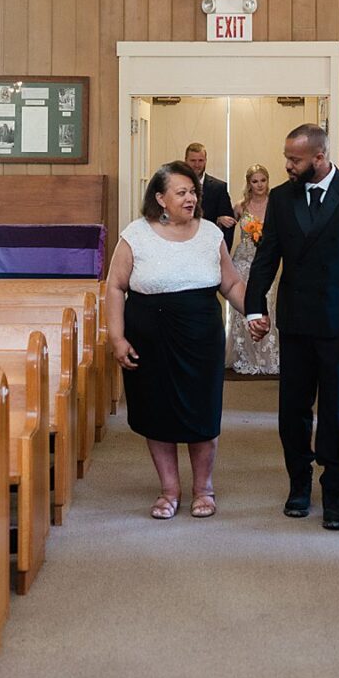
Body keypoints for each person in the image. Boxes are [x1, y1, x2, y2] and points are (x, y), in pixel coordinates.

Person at [244, 124, 339, 531]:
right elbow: (266, 259)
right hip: (295, 321)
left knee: (335, 410)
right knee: (292, 410)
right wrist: (255, 308)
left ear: (319, 158)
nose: (288, 166)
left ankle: (334, 490)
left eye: (295, 159)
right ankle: (299, 482)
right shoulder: (280, 197)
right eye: (287, 158)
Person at [107, 160, 248, 520]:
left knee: (202, 413)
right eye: (181, 192)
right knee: (157, 413)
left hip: (200, 337)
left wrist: (255, 313)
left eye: (193, 192)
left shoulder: (211, 234)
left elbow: (230, 283)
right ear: (160, 198)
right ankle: (169, 490)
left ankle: (204, 488)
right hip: (148, 338)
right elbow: (115, 286)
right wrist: (117, 337)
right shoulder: (135, 234)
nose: (190, 198)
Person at [226, 164, 279, 375]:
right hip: (243, 261)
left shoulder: (275, 204)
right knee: (244, 306)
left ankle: (267, 357)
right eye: (254, 181)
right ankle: (243, 355)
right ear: (249, 183)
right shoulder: (240, 206)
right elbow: (227, 232)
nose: (259, 185)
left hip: (265, 263)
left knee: (268, 305)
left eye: (262, 180)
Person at [185, 142, 238, 246]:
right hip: (181, 245)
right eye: (193, 161)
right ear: (186, 160)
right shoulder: (176, 187)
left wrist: (223, 255)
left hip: (210, 247)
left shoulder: (219, 188)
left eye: (200, 160)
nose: (197, 165)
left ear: (205, 161)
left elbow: (229, 225)